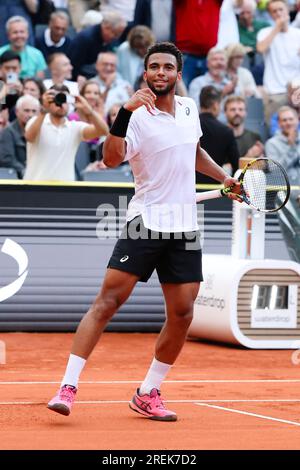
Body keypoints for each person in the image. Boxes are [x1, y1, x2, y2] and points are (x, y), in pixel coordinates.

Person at [47, 42, 241, 421]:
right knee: (107, 303)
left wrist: (225, 178)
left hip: (184, 226)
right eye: (154, 66)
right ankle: (67, 386)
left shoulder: (187, 109)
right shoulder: (134, 116)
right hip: (145, 222)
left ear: (178, 73)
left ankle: (149, 391)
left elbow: (193, 151)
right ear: (145, 72)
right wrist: (123, 113)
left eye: (168, 67)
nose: (161, 72)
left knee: (183, 313)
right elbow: (110, 157)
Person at [24, 84, 109, 181]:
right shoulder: (36, 121)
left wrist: (89, 111)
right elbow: (30, 137)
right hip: (35, 187)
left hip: (66, 189)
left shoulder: (74, 127)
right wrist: (44, 110)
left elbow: (104, 131)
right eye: (57, 98)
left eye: (64, 99)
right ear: (49, 101)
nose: (61, 103)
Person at [256, 0, 300, 125]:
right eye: (274, 11)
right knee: (275, 130)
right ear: (270, 15)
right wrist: (277, 27)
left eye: (281, 9)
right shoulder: (264, 32)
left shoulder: (298, 34)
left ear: (287, 10)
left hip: (297, 90)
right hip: (274, 92)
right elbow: (261, 48)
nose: (278, 13)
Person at [198, 86, 240, 184]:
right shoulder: (226, 131)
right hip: (215, 191)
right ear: (216, 105)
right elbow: (236, 166)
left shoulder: (188, 126)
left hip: (188, 189)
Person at [69, 10, 127, 79]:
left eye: (119, 34)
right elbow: (73, 66)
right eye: (115, 34)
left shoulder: (112, 39)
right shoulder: (85, 39)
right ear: (106, 28)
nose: (116, 37)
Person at [0, 94, 40, 177]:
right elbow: (7, 159)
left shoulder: (43, 131)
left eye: (34, 111)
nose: (30, 115)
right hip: (18, 180)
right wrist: (26, 171)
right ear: (17, 112)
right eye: (26, 110)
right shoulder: (8, 132)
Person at [265, 105, 300, 185]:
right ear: (279, 123)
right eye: (284, 120)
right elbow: (275, 170)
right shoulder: (271, 143)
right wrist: (291, 147)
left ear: (297, 120)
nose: (288, 123)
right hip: (285, 190)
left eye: (291, 119)